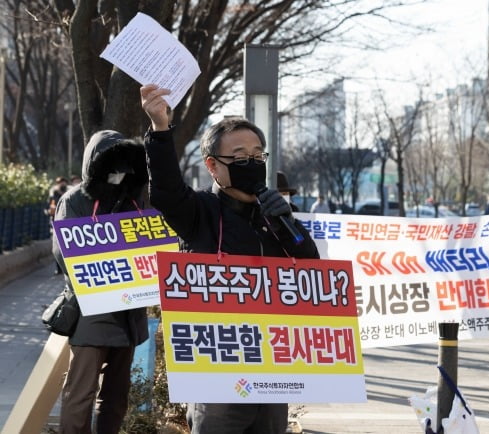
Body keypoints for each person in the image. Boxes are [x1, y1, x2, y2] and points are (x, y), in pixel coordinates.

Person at [140, 84, 320, 434]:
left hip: (271, 364)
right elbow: (165, 191)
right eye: (239, 156)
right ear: (213, 165)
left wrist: (287, 224)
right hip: (218, 369)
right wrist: (161, 129)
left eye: (258, 155)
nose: (251, 162)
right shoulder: (199, 213)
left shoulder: (277, 216)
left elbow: (311, 268)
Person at [52, 130, 150, 433]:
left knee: (117, 397)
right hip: (91, 313)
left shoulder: (136, 199)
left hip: (130, 315)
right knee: (80, 394)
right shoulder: (74, 200)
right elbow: (64, 255)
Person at [48, 177, 68, 275]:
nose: (61, 184)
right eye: (59, 183)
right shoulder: (53, 195)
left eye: (63, 182)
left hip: (68, 223)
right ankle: (59, 268)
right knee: (57, 246)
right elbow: (49, 208)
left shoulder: (69, 193)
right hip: (56, 223)